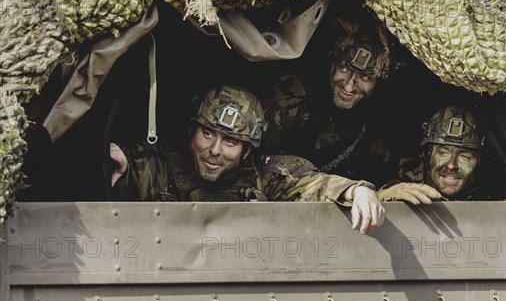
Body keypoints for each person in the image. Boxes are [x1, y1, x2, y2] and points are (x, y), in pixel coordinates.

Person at [110, 86, 385, 234]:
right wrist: (118, 162)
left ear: (247, 150)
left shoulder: (262, 175)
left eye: (230, 141)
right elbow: (128, 166)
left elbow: (310, 183)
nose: (215, 150)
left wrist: (356, 190)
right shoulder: (158, 166)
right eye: (208, 134)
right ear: (191, 131)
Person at [262, 15, 399, 186]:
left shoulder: (378, 121)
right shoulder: (293, 97)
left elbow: (386, 175)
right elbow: (259, 163)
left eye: (364, 77)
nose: (349, 86)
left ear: (378, 82)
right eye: (343, 68)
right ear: (332, 62)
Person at [378, 105, 490, 203]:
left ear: (478, 163)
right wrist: (382, 196)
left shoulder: (491, 190)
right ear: (427, 155)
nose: (451, 165)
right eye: (443, 153)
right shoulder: (403, 176)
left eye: (464, 157)